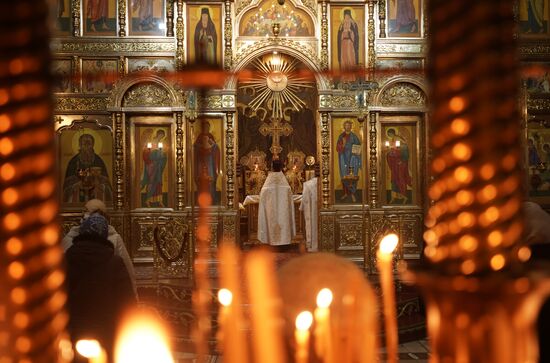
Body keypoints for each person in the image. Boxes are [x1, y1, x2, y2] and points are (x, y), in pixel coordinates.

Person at [65, 214, 136, 358]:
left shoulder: (66, 259)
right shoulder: (114, 262)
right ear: (104, 236)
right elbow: (126, 301)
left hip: (73, 328)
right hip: (106, 329)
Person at [62, 199, 138, 297]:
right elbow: (127, 273)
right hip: (105, 297)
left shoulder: (114, 238)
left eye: (86, 211)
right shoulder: (115, 259)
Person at [63, 133, 113, 203]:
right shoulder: (74, 161)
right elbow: (67, 184)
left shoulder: (98, 160)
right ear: (80, 145)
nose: (86, 147)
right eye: (84, 144)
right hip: (77, 196)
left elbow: (106, 182)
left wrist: (97, 181)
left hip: (96, 194)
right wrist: (76, 184)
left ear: (93, 145)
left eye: (89, 144)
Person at [258, 159, 296, 246]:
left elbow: (263, 193)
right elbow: (289, 194)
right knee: (283, 219)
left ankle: (272, 241)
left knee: (271, 220)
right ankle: (284, 241)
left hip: (270, 209)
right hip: (283, 211)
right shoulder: (284, 182)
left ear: (272, 167)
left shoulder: (269, 181)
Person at [194, 120, 221, 203]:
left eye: (208, 127)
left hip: (210, 161)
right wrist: (200, 147)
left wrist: (213, 146)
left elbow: (215, 147)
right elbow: (195, 147)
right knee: (201, 180)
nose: (206, 128)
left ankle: (211, 198)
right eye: (205, 127)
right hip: (201, 161)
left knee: (211, 180)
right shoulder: (199, 137)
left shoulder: (210, 136)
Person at [141, 129, 168, 207]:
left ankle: (159, 201)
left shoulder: (161, 145)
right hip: (151, 167)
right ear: (157, 134)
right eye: (160, 136)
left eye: (162, 137)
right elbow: (145, 155)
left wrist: (162, 155)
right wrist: (151, 155)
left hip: (158, 167)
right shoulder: (150, 143)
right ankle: (147, 201)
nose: (161, 138)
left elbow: (163, 156)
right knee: (151, 183)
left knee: (158, 184)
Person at [336, 120, 361, 202]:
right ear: (344, 126)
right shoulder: (341, 136)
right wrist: (342, 145)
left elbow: (358, 147)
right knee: (344, 175)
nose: (348, 127)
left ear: (351, 126)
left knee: (353, 175)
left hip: (353, 159)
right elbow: (338, 148)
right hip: (343, 158)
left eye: (349, 125)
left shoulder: (354, 136)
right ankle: (346, 193)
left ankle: (353, 193)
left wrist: (355, 154)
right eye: (346, 125)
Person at [386, 128, 412, 204]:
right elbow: (390, 153)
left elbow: (405, 155)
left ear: (394, 133)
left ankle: (404, 197)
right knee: (394, 180)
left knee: (401, 179)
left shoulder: (401, 142)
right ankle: (394, 197)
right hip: (394, 166)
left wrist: (402, 160)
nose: (390, 136)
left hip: (400, 166)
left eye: (391, 134)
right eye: (389, 135)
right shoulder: (392, 141)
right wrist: (389, 153)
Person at [337, 9, 359, 82]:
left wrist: (350, 32)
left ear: (350, 16)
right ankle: (344, 77)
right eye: (345, 16)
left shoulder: (353, 24)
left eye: (348, 16)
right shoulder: (341, 24)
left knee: (350, 59)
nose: (346, 17)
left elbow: (356, 35)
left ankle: (352, 77)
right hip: (343, 44)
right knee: (344, 59)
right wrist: (343, 34)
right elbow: (339, 35)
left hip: (350, 44)